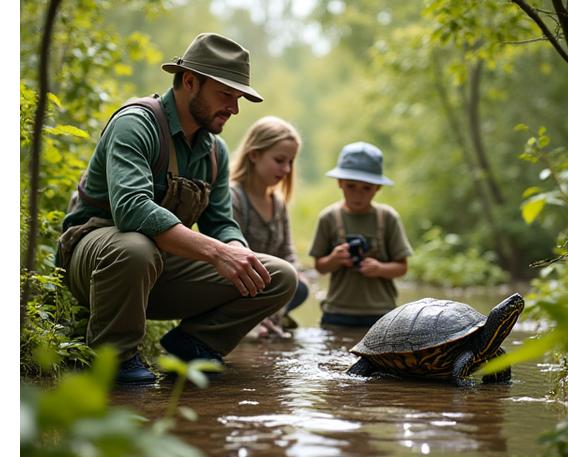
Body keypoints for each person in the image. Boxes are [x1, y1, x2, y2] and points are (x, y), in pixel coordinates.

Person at [57, 33, 298, 384]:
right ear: (190, 82)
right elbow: (131, 210)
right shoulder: (135, 124)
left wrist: (235, 250)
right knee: (136, 247)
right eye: (225, 95)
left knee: (277, 276)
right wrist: (216, 253)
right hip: (96, 262)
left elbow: (221, 223)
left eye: (238, 97)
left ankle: (193, 346)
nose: (234, 108)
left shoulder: (215, 151)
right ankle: (115, 358)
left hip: (157, 271)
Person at [309, 141, 412, 327]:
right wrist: (335, 258)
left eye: (366, 188)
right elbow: (320, 266)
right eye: (351, 186)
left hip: (382, 314)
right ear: (340, 183)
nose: (358, 195)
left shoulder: (388, 218)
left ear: (377, 187)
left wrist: (379, 268)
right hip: (337, 312)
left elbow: (402, 267)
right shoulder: (328, 218)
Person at [229, 116, 309, 338]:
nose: (286, 169)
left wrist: (297, 275)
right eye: (280, 160)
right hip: (240, 285)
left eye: (291, 162)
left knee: (301, 287)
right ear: (254, 154)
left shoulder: (278, 203)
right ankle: (253, 323)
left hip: (272, 286)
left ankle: (269, 318)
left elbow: (287, 251)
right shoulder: (233, 196)